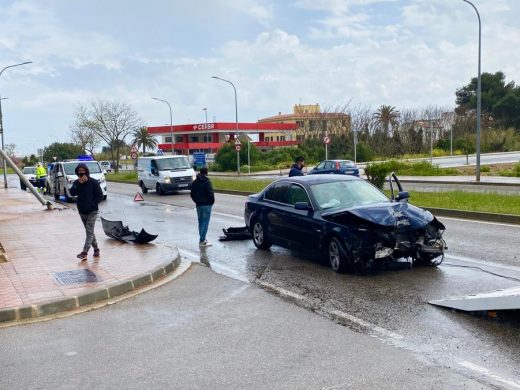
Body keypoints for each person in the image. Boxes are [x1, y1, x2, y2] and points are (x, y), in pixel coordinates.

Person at [69, 163, 104, 260]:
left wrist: (93, 204)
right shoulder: (77, 182)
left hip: (92, 211)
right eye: (79, 171)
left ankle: (84, 252)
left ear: (86, 171)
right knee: (90, 231)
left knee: (89, 232)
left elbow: (100, 195)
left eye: (83, 170)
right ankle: (96, 248)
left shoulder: (93, 182)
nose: (81, 172)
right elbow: (72, 193)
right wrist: (79, 183)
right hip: (82, 211)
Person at [190, 166, 215, 247]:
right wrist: (211, 202)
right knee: (205, 222)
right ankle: (202, 240)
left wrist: (196, 201)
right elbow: (211, 194)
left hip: (198, 205)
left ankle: (201, 238)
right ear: (206, 172)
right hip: (206, 205)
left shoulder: (195, 182)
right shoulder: (207, 181)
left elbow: (192, 194)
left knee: (200, 222)